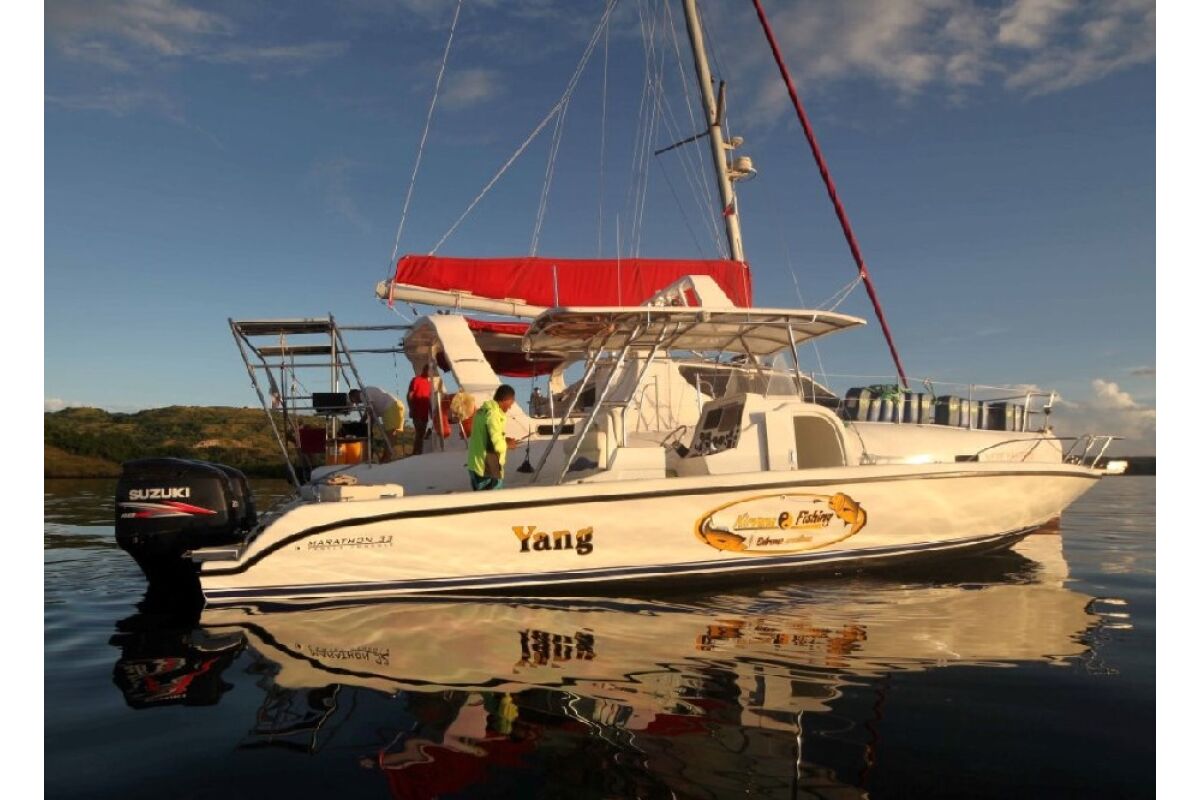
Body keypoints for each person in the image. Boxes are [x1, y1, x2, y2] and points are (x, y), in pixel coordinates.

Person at [466, 384, 519, 491]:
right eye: (511, 402)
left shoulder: (482, 411)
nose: (510, 407)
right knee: (493, 500)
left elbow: (486, 437)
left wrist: (504, 439)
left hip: (475, 465)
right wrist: (508, 445)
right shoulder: (493, 415)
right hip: (487, 469)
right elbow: (498, 446)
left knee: (480, 500)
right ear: (506, 400)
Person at [349, 386, 405, 456]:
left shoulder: (363, 394)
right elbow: (372, 413)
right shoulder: (366, 393)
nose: (356, 403)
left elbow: (369, 410)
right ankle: (388, 456)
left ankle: (386, 458)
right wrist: (368, 426)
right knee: (392, 435)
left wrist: (361, 424)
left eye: (353, 400)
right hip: (395, 406)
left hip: (390, 408)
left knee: (390, 435)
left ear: (354, 395)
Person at [407, 364, 435, 455]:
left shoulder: (429, 384)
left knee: (422, 433)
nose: (430, 373)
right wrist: (411, 408)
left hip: (425, 412)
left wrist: (431, 413)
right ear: (424, 370)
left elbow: (428, 398)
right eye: (429, 371)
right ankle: (416, 452)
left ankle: (418, 451)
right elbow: (410, 395)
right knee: (419, 431)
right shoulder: (416, 380)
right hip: (416, 410)